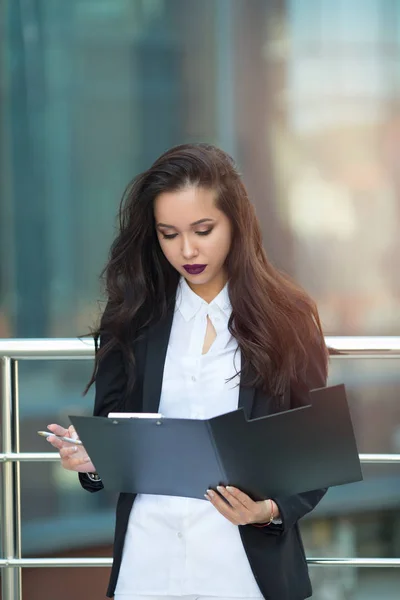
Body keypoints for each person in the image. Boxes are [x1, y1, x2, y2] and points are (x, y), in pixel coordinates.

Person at [47, 143, 329, 600]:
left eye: (203, 229)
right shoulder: (133, 318)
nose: (188, 249)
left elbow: (316, 450)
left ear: (237, 223)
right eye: (169, 234)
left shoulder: (287, 317)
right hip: (149, 561)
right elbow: (111, 434)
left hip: (243, 569)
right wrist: (92, 460)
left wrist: (268, 510)